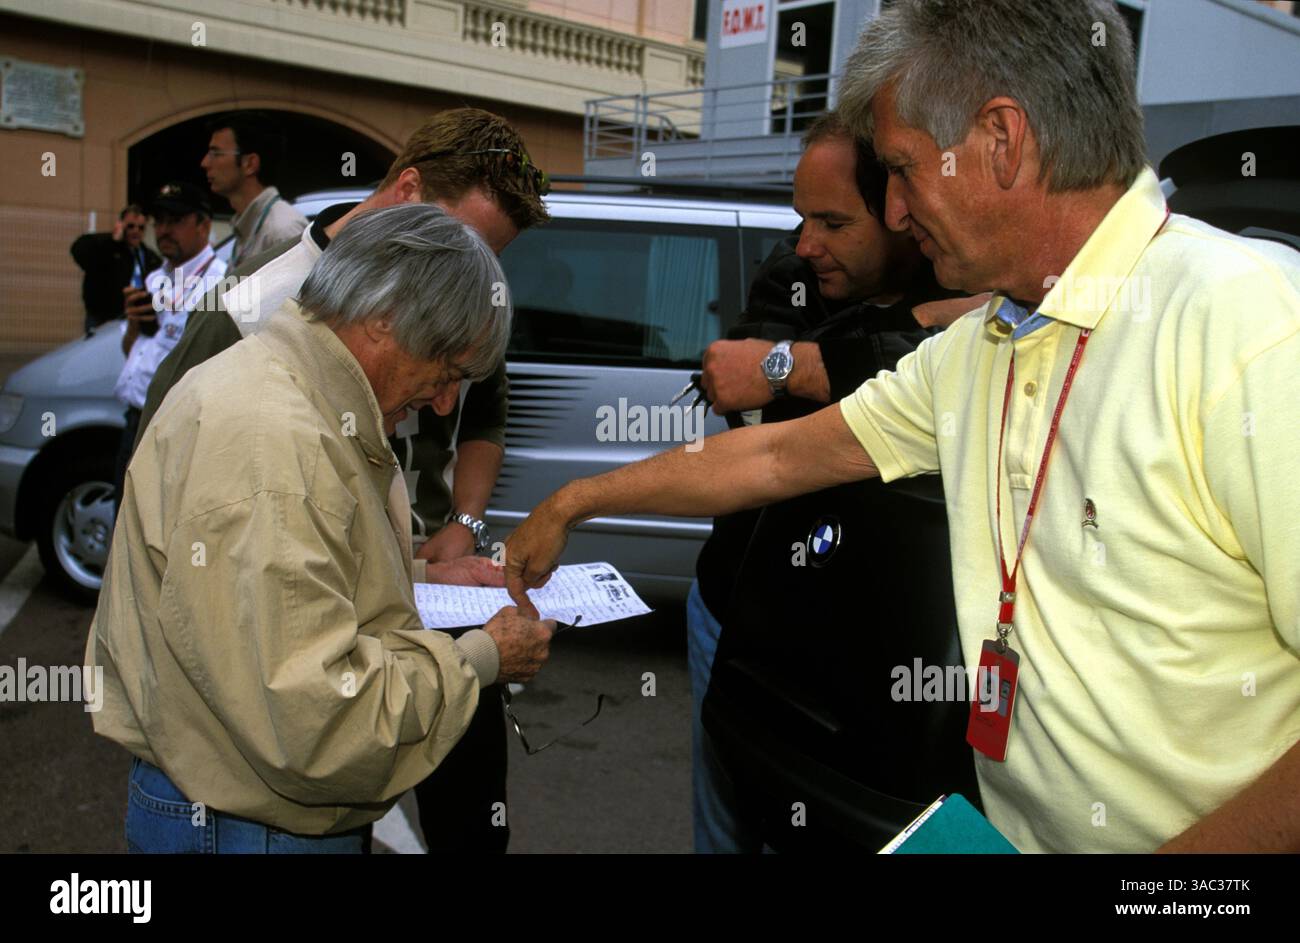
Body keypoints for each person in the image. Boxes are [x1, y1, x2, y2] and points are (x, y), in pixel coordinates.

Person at [504, 0, 1300, 853]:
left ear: (1001, 139)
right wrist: (575, 500)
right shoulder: (982, 343)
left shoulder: (1249, 325)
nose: (892, 213)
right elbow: (775, 455)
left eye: (902, 169)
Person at [135, 107, 551, 853]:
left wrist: (429, 556)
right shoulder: (251, 331)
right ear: (410, 194)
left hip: (385, 607)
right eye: (463, 249)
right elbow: (306, 707)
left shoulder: (406, 321)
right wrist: (476, 650)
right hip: (268, 773)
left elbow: (479, 421)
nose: (481, 284)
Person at [688, 110, 974, 852]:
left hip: (873, 644)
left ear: (899, 214)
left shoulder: (963, 281)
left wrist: (898, 329)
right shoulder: (792, 277)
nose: (806, 242)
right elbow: (761, 416)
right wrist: (917, 326)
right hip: (737, 603)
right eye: (799, 218)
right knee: (729, 829)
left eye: (833, 222)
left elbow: (964, 360)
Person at [112, 182, 227, 513]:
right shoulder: (153, 278)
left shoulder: (219, 284)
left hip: (178, 431)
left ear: (204, 225)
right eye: (159, 221)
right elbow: (130, 349)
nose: (163, 230)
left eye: (175, 221)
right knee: (125, 522)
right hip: (135, 422)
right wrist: (134, 325)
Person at [201, 113, 307, 266]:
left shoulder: (282, 231)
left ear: (250, 164)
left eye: (216, 153)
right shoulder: (247, 228)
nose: (205, 163)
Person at [69, 204, 161, 333]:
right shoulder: (107, 246)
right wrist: (113, 241)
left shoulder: (149, 256)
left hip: (133, 316)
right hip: (102, 318)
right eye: (131, 226)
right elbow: (80, 252)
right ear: (121, 225)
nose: (136, 231)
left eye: (141, 228)